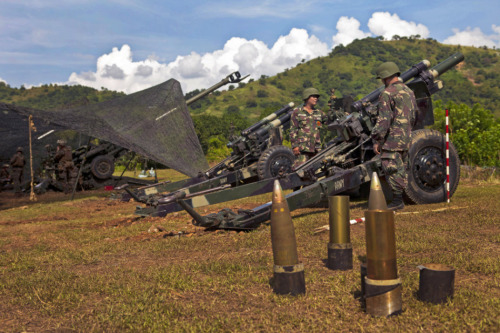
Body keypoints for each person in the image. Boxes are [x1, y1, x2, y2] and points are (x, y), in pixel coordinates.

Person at [371, 61, 417, 211]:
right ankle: (400, 198)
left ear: (385, 76)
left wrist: (377, 140)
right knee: (402, 168)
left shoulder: (387, 93)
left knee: (391, 168)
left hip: (392, 140)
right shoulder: (409, 91)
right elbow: (414, 115)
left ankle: (397, 201)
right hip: (406, 137)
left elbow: (384, 120)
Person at [290, 88, 325, 168]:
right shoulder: (297, 112)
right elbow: (293, 130)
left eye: (317, 97)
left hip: (316, 149)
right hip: (302, 149)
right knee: (300, 170)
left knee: (318, 170)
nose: (316, 98)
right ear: (307, 97)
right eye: (313, 96)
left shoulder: (319, 113)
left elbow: (330, 121)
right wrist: (295, 146)